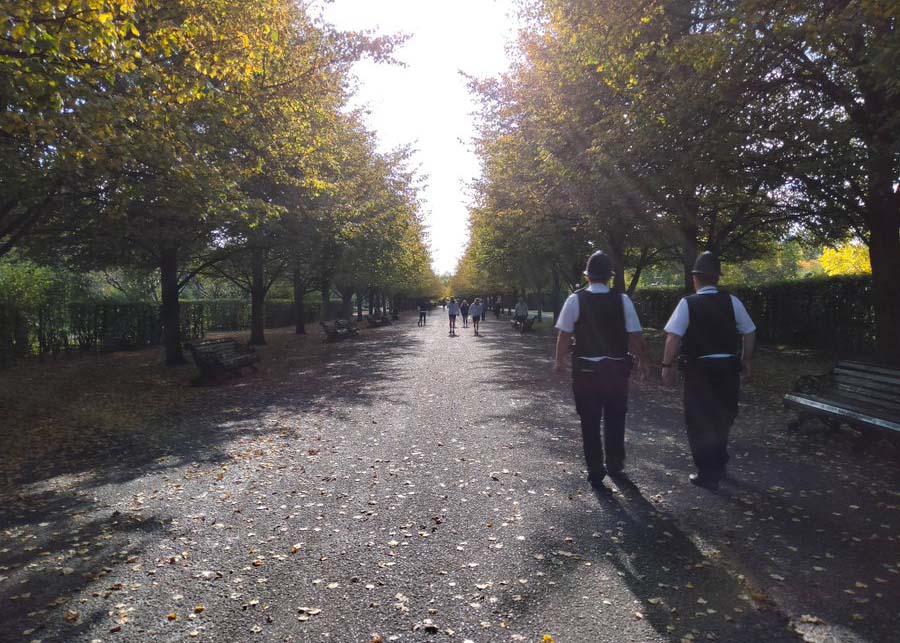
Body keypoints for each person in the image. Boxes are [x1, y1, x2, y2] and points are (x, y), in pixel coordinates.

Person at [661, 251, 756, 490]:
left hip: (699, 370)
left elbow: (673, 338)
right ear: (717, 278)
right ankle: (720, 464)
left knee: (698, 420)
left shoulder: (687, 304)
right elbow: (749, 331)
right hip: (727, 369)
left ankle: (706, 470)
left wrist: (667, 365)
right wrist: (746, 360)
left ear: (696, 278)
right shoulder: (732, 301)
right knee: (723, 416)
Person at [554, 251, 650, 488]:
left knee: (589, 420)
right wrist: (644, 360)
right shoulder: (622, 300)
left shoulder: (575, 300)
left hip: (586, 370)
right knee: (616, 417)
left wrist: (559, 362)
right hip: (616, 369)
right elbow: (635, 335)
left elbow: (564, 335)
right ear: (609, 277)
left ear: (587, 277)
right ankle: (615, 463)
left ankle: (595, 469)